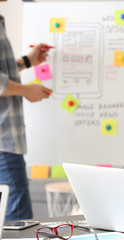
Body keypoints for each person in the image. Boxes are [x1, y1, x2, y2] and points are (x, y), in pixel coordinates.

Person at [0, 9, 53, 221]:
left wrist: (26, 61)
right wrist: (27, 90)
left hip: (6, 140)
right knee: (19, 221)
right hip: (4, 142)